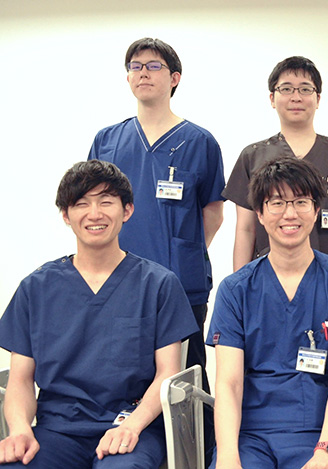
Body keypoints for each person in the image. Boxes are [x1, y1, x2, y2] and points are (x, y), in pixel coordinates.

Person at [0, 160, 198, 468]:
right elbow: (21, 379)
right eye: (81, 204)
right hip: (57, 431)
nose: (94, 214)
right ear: (66, 215)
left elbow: (166, 374)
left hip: (132, 427)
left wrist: (132, 426)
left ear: (127, 210)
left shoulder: (158, 284)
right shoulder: (36, 288)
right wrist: (21, 430)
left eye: (106, 202)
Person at [88, 37, 226, 463]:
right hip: (117, 285)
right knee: (123, 378)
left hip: (182, 285)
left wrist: (179, 251)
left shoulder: (200, 141)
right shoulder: (108, 140)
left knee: (186, 383)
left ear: (174, 78)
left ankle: (198, 457)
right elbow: (92, 206)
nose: (143, 73)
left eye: (153, 65)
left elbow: (213, 213)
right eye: (135, 66)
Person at [207, 157, 328, 469]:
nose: (290, 213)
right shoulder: (235, 290)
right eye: (277, 203)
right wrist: (228, 455)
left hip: (320, 430)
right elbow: (229, 384)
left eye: (301, 201)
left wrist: (326, 450)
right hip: (251, 435)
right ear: (259, 213)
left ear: (316, 210)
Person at [223, 56, 328, 271]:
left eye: (305, 89)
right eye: (286, 89)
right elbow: (246, 229)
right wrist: (240, 283)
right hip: (269, 278)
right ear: (272, 98)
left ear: (318, 99)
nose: (296, 97)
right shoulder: (252, 156)